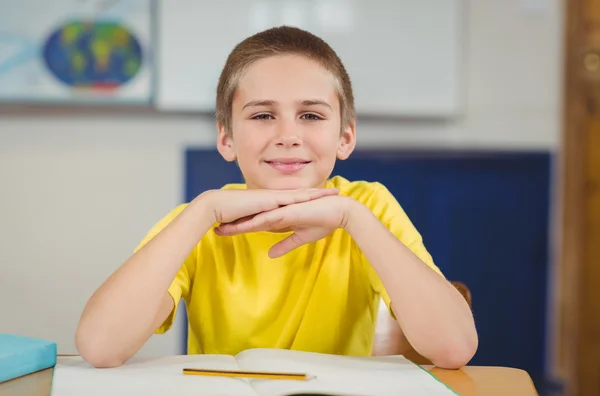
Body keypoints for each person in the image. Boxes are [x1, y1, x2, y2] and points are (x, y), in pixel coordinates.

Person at [75, 26, 478, 369]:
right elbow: (100, 346)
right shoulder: (197, 221)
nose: (288, 135)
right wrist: (204, 210)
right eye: (263, 115)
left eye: (312, 115)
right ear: (226, 138)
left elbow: (454, 346)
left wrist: (351, 217)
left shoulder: (367, 207)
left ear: (346, 137)